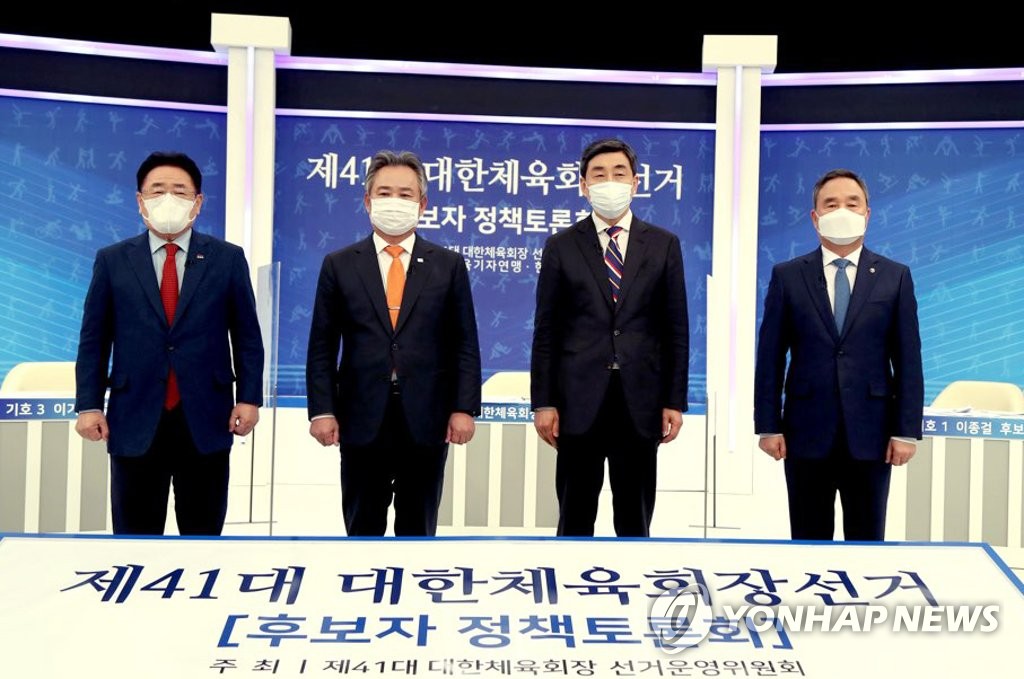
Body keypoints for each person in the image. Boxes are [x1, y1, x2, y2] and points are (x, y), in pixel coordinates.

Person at [74, 151, 264, 535]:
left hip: (206, 417)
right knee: (135, 538)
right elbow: (94, 339)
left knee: (203, 536)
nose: (168, 199)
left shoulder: (227, 259)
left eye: (180, 191)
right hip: (134, 417)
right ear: (140, 200)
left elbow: (247, 336)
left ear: (198, 201)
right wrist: (89, 405)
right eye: (157, 190)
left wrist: (249, 398)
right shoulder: (112, 260)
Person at [306, 150, 481, 537]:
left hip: (427, 417)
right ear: (368, 201)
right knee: (362, 526)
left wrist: (464, 408)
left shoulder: (448, 265)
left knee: (418, 528)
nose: (394, 202)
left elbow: (464, 342)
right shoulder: (340, 264)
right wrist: (322, 410)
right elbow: (321, 345)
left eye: (406, 194)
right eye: (384, 193)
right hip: (360, 416)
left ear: (423, 203)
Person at [530, 138, 690, 537]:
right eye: (598, 175)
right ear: (583, 186)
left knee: (635, 520)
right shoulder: (561, 246)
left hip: (640, 401)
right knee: (574, 517)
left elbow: (675, 329)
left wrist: (673, 400)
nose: (609, 182)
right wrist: (544, 402)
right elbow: (547, 331)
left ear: (635, 183)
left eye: (619, 173)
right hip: (577, 400)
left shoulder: (663, 245)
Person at [754, 168, 924, 541]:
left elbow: (908, 359)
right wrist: (768, 425)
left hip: (872, 434)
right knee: (808, 540)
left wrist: (906, 431)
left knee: (866, 541)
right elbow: (770, 356)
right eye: (831, 204)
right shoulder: (788, 276)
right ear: (815, 217)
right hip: (805, 432)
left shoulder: (895, 276)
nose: (842, 211)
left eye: (852, 203)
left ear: (867, 214)